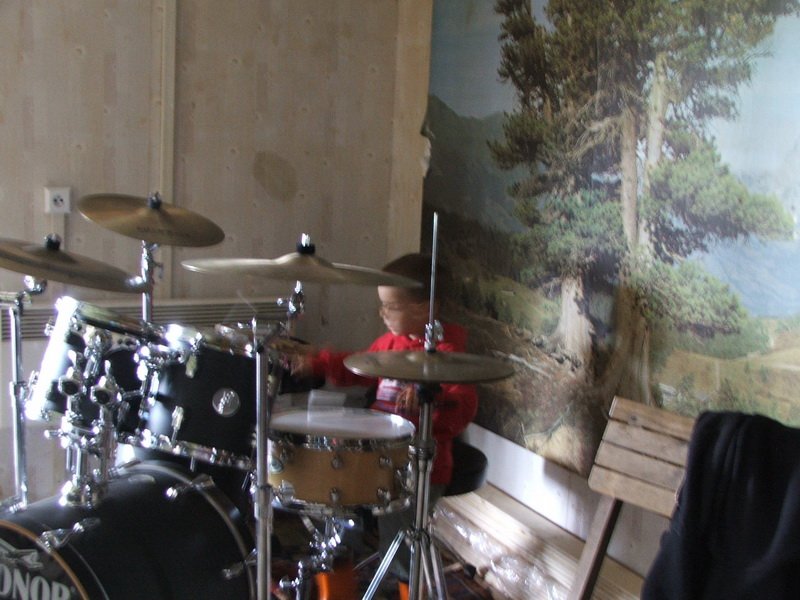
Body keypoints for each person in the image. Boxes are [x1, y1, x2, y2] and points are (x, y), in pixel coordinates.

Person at [293, 253, 478, 594]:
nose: (382, 313)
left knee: (401, 540)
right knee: (330, 503)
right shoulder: (389, 344)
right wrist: (319, 362)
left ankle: (410, 588)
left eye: (390, 306)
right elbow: (357, 367)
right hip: (377, 458)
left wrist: (431, 398)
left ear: (424, 309)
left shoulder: (448, 355)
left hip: (419, 468)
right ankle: (338, 586)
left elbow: (463, 405)